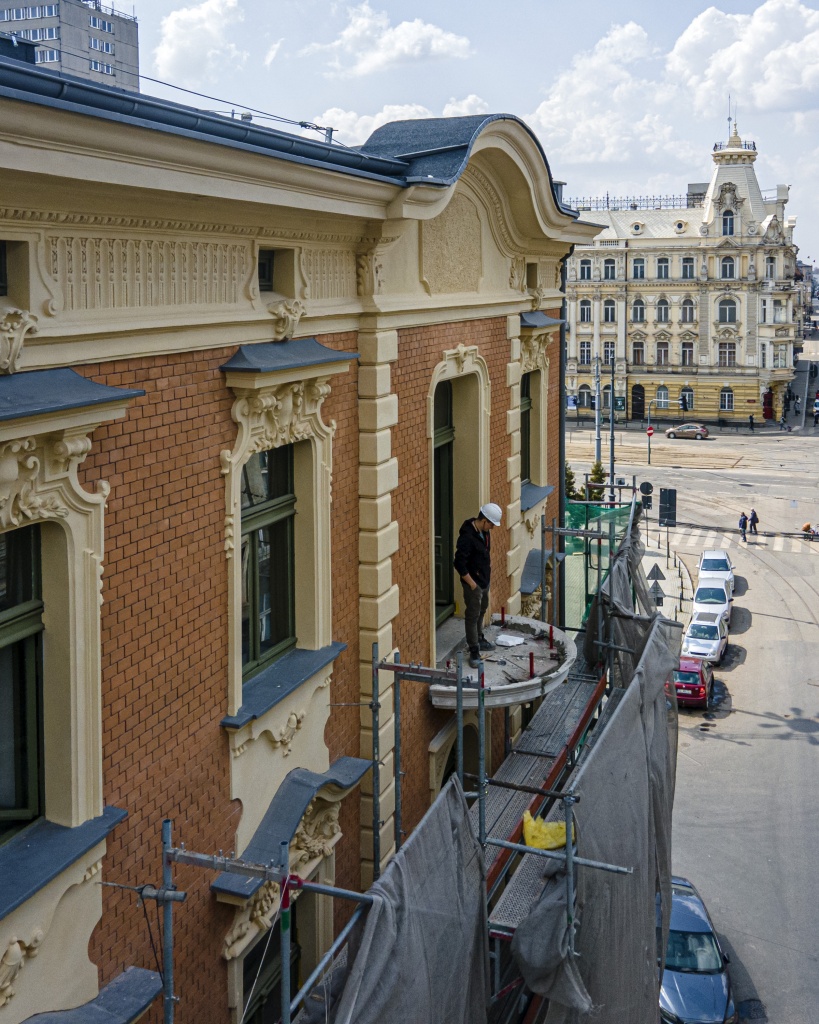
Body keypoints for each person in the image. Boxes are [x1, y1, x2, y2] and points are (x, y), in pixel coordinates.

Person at [454, 503, 502, 668]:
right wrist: (472, 584)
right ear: (484, 520)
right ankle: (474, 649)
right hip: (474, 584)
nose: (493, 528)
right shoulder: (467, 537)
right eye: (491, 524)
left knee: (482, 609)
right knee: (473, 615)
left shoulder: (484, 532)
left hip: (483, 581)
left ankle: (479, 637)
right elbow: (459, 563)